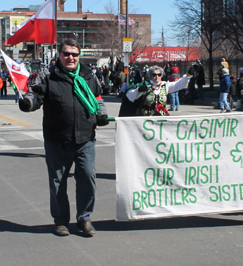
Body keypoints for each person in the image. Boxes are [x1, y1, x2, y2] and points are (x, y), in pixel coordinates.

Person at [18, 39, 109, 237]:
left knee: (87, 177)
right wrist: (27, 102)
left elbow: (98, 98)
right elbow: (35, 95)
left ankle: (84, 218)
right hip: (57, 139)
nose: (71, 58)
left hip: (85, 139)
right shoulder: (49, 76)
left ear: (79, 56)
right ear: (59, 55)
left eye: (74, 54)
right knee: (58, 182)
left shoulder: (88, 75)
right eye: (66, 53)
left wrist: (101, 114)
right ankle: (60, 221)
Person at [122, 65, 193, 116]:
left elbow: (178, 84)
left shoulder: (165, 85)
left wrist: (188, 76)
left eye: (159, 75)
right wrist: (138, 90)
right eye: (154, 75)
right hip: (145, 120)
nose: (157, 77)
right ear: (150, 75)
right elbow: (130, 96)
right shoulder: (146, 86)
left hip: (161, 120)